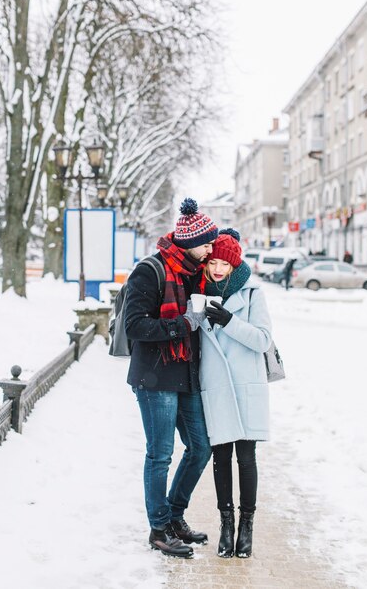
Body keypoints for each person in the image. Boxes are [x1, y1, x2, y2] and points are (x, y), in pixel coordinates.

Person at [124, 197, 218, 559]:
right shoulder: (151, 271)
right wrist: (182, 324)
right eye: (206, 242)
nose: (210, 248)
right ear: (189, 241)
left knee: (200, 448)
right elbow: (135, 326)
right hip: (155, 378)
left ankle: (175, 517)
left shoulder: (197, 273)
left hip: (187, 376)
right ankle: (159, 528)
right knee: (160, 455)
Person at [198, 228, 272, 559]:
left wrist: (229, 321)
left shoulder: (253, 293)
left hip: (245, 385)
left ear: (233, 265)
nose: (216, 269)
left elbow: (262, 340)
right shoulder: (198, 292)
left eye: (223, 265)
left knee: (246, 457)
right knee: (221, 457)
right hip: (214, 385)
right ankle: (226, 525)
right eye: (212, 262)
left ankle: (247, 526)